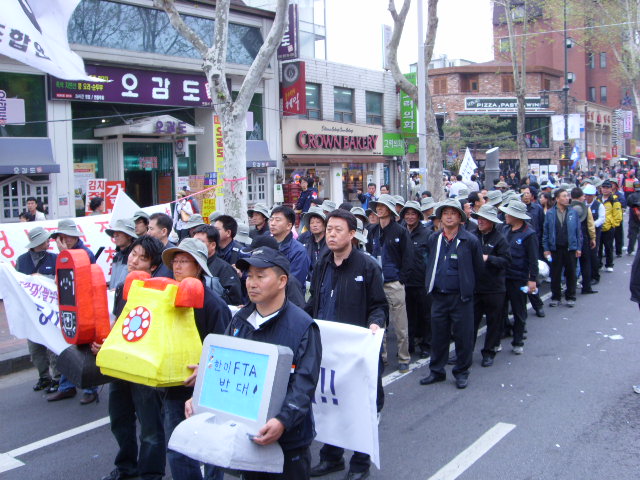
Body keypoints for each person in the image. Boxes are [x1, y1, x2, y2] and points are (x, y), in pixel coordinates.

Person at [190, 247, 322, 480]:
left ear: (282, 281)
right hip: (246, 434)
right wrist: (200, 393)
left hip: (289, 442)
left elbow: (304, 384)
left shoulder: (303, 326)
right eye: (249, 276)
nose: (251, 283)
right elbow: (224, 366)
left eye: (260, 276)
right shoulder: (239, 320)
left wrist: (283, 421)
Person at [306, 210, 387, 480]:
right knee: (331, 403)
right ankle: (331, 457)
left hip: (355, 353)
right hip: (327, 350)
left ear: (352, 234)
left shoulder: (367, 266)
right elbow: (313, 302)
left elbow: (379, 306)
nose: (331, 234)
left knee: (358, 406)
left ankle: (360, 463)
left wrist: (375, 324)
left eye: (338, 230)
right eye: (329, 229)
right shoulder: (322, 263)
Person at [161, 238, 232, 480]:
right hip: (174, 385)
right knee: (177, 447)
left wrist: (205, 369)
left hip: (207, 389)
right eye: (175, 261)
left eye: (185, 261)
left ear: (199, 267)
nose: (177, 266)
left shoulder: (214, 304)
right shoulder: (167, 297)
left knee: (211, 448)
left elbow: (225, 349)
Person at [97, 235, 166, 480]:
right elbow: (119, 324)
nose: (134, 261)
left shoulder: (159, 292)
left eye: (142, 258)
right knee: (119, 419)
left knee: (150, 427)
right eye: (133, 254)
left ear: (153, 266)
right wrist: (106, 344)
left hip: (145, 368)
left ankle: (151, 473)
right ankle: (126, 467)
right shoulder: (122, 288)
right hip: (120, 365)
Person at [420, 199, 484, 389]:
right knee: (438, 336)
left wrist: (468, 288)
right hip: (439, 296)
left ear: (460, 217)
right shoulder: (434, 238)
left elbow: (479, 269)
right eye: (445, 213)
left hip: (461, 298)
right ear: (440, 218)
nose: (448, 217)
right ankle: (436, 371)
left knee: (463, 337)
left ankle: (461, 372)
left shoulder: (470, 240)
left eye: (453, 213)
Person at [47, 219, 98, 403]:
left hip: (84, 307)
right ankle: (67, 386)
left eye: (67, 236)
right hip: (69, 305)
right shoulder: (63, 255)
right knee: (68, 346)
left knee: (85, 347)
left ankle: (90, 388)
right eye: (61, 237)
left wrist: (64, 254)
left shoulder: (84, 253)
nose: (64, 240)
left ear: (75, 236)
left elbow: (81, 279)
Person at [368, 194, 414, 373]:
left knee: (400, 324)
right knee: (379, 324)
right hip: (376, 283)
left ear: (390, 210)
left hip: (394, 282)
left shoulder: (400, 231)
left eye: (383, 206)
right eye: (377, 206)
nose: (379, 209)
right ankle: (382, 356)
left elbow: (408, 257)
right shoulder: (372, 230)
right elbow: (369, 253)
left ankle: (404, 358)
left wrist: (401, 279)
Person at [16, 227, 59, 392]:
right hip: (31, 311)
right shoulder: (22, 260)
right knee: (35, 348)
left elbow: (58, 281)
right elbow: (18, 282)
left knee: (53, 346)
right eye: (45, 240)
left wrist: (43, 278)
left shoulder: (54, 258)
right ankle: (44, 377)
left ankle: (57, 377)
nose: (48, 242)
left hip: (50, 311)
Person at [471, 205, 510, 367]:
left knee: (494, 322)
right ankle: (465, 353)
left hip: (494, 288)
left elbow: (506, 261)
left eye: (484, 219)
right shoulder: (472, 236)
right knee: (471, 323)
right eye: (479, 218)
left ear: (492, 222)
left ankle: (489, 352)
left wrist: (489, 258)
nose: (480, 221)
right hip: (475, 288)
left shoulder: (500, 239)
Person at [499, 201, 538, 355]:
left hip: (519, 278)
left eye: (508, 213)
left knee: (519, 310)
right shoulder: (505, 229)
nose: (505, 215)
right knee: (500, 309)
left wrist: (532, 279)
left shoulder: (529, 234)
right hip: (503, 276)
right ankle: (500, 335)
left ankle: (518, 341)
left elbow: (533, 259)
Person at [400, 201, 432, 358]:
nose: (410, 217)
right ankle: (409, 345)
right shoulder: (401, 232)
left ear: (419, 216)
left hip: (422, 282)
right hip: (406, 281)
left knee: (426, 315)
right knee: (408, 316)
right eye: (407, 214)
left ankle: (426, 345)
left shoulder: (428, 234)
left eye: (413, 214)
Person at [543, 189, 582, 307]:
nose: (567, 198)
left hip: (570, 248)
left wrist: (578, 248)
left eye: (567, 196)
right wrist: (546, 248)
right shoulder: (550, 213)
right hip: (555, 248)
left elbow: (578, 232)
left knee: (571, 273)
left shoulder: (573, 212)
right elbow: (546, 232)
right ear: (557, 198)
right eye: (564, 196)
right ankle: (556, 297)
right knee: (555, 274)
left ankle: (570, 296)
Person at [191, 224, 243, 305]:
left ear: (213, 245)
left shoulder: (225, 269)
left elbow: (235, 301)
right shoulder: (190, 264)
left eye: (199, 242)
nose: (195, 245)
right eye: (193, 242)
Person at [270, 205, 311, 292]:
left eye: (277, 220)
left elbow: (295, 282)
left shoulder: (299, 251)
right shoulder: (265, 245)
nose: (272, 223)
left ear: (289, 225)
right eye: (271, 219)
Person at [570, 188, 598, 295]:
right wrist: (593, 238)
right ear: (581, 196)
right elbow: (591, 225)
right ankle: (586, 287)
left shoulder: (567, 208)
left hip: (571, 239)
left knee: (571, 264)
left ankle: (570, 289)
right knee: (585, 262)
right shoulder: (585, 209)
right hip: (583, 237)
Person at [105, 218, 138, 290]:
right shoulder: (117, 256)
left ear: (129, 236)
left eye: (119, 232)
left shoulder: (136, 257)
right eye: (114, 232)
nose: (115, 235)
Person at [598, 180, 622, 272]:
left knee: (608, 247)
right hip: (598, 227)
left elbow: (618, 215)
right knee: (598, 248)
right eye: (603, 188)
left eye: (607, 188)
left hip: (609, 228)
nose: (605, 189)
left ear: (611, 189)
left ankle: (609, 264)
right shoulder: (598, 199)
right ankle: (599, 264)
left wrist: (613, 225)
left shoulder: (614, 200)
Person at [584, 184, 605, 285]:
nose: (587, 197)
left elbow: (602, 218)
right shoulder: (582, 204)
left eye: (589, 195)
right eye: (586, 195)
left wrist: (592, 225)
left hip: (595, 232)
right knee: (585, 255)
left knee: (593, 254)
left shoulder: (599, 205)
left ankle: (595, 276)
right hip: (584, 232)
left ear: (593, 195)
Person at [299, 206, 328, 271]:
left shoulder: (330, 242)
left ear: (324, 225)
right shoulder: (305, 240)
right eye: (312, 222)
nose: (315, 225)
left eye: (318, 222)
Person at [626, 181, 640, 255]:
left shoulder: (631, 196)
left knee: (633, 234)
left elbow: (628, 204)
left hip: (633, 217)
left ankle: (630, 250)